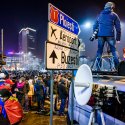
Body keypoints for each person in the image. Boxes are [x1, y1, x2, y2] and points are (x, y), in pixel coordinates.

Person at [93, 2, 121, 71]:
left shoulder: (100, 15)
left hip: (100, 35)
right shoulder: (114, 15)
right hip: (110, 35)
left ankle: (97, 68)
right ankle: (118, 68)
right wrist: (118, 38)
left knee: (99, 51)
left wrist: (96, 36)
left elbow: (94, 26)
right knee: (113, 51)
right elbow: (118, 27)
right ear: (111, 7)